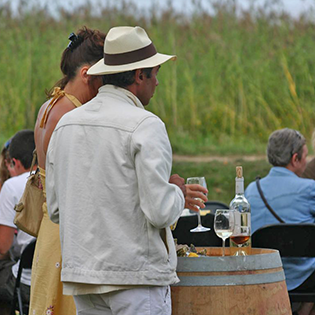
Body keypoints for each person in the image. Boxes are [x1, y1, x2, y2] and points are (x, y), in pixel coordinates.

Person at [46, 26, 207, 315]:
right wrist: (177, 193)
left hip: (84, 277)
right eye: (155, 73)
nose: (157, 82)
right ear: (138, 75)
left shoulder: (66, 125)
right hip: (135, 278)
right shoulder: (146, 125)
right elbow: (159, 211)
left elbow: (56, 209)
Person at [30, 27, 106, 315]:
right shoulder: (73, 115)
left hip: (49, 228)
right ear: (87, 74)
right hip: (68, 231)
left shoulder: (49, 105)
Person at [245, 128, 315, 315]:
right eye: (306, 156)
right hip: (305, 278)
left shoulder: (252, 190)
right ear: (295, 159)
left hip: (263, 275)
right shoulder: (310, 189)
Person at [0, 130, 36, 314]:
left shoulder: (12, 186)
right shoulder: (56, 178)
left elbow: (2, 247)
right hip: (56, 277)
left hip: (27, 282)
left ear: (14, 162)